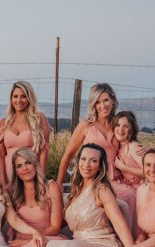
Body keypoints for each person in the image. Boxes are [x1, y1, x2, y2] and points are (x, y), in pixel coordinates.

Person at [57, 83, 136, 233]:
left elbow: (131, 149)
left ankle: (131, 240)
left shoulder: (118, 125)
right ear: (93, 105)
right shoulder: (86, 125)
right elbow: (68, 155)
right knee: (126, 195)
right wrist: (59, 182)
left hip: (115, 178)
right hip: (92, 178)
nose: (102, 105)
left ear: (113, 100)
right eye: (97, 102)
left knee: (132, 194)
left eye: (105, 100)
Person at [7, 147, 66, 247]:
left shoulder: (51, 187)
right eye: (19, 166)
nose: (24, 168)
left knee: (36, 245)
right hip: (21, 243)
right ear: (15, 171)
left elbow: (55, 227)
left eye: (28, 163)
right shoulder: (12, 192)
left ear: (35, 164)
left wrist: (28, 240)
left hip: (48, 239)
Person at [0, 81, 50, 186]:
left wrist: (41, 178)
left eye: (23, 96)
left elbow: (43, 151)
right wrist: (3, 180)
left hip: (31, 173)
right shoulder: (4, 123)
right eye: (15, 96)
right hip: (9, 175)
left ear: (30, 98)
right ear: (11, 99)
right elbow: (0, 154)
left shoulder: (39, 119)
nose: (19, 100)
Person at [114, 111, 147, 190]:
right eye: (118, 125)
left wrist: (124, 168)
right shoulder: (119, 147)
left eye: (126, 126)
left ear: (131, 130)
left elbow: (147, 172)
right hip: (130, 188)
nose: (121, 129)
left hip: (142, 189)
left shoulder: (133, 147)